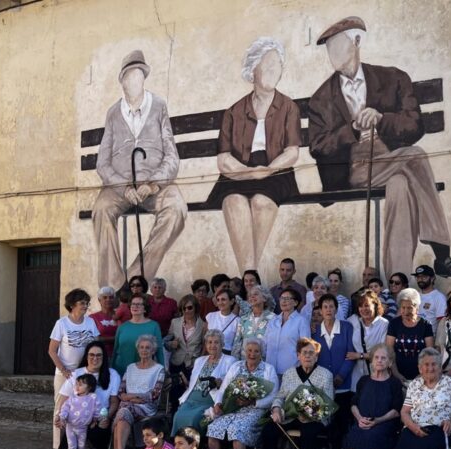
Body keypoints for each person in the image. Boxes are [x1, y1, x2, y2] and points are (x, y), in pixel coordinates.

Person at [308, 17, 451, 280]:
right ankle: (442, 253)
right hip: (352, 169)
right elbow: (318, 146)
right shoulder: (321, 97)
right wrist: (353, 129)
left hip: (391, 157)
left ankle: (397, 279)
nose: (331, 53)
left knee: (400, 184)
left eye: (337, 45)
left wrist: (381, 119)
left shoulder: (392, 78)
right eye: (328, 47)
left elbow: (415, 125)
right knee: (415, 156)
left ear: (357, 42)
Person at [205, 38, 301, 273]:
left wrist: (266, 170)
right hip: (239, 171)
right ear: (252, 71)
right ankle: (251, 277)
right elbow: (224, 159)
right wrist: (248, 172)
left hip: (277, 171)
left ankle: (248, 277)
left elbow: (292, 152)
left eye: (277, 65)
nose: (273, 70)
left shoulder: (289, 107)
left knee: (261, 203)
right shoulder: (234, 112)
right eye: (266, 65)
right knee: (233, 202)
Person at [92, 49, 186, 289]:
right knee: (101, 209)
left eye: (138, 76)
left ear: (144, 78)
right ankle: (112, 288)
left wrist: (154, 183)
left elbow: (172, 157)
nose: (133, 81)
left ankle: (136, 277)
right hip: (119, 186)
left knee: (176, 208)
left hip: (154, 184)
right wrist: (124, 188)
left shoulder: (158, 107)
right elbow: (102, 163)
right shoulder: (113, 113)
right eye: (128, 77)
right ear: (122, 81)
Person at [261, 338, 334, 449]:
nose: (308, 356)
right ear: (298, 355)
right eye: (304, 353)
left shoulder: (325, 375)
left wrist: (310, 415)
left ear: (316, 356)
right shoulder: (289, 373)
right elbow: (280, 396)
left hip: (314, 418)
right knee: (268, 431)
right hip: (290, 415)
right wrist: (276, 409)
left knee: (309, 433)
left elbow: (328, 406)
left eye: (311, 353)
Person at [207, 338, 279, 449]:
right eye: (249, 351)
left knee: (237, 431)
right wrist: (218, 404)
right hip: (233, 409)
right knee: (213, 429)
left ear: (262, 353)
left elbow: (273, 397)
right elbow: (223, 389)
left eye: (256, 351)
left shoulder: (268, 369)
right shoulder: (236, 366)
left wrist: (253, 402)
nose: (252, 354)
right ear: (245, 352)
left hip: (255, 410)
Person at [340, 344, 403, 449]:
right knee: (352, 439)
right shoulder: (363, 380)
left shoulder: (394, 383)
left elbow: (397, 410)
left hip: (385, 425)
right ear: (371, 361)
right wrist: (360, 418)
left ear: (390, 363)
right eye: (376, 357)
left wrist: (377, 420)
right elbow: (353, 404)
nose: (380, 361)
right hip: (363, 421)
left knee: (369, 439)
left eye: (384, 358)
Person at [54, 341, 121, 449]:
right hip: (76, 422)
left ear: (104, 357)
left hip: (99, 419)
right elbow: (63, 399)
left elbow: (114, 402)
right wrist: (59, 416)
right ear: (86, 356)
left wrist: (107, 417)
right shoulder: (76, 374)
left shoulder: (112, 375)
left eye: (98, 355)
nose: (95, 358)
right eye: (91, 355)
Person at [48, 288, 100, 449]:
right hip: (66, 374)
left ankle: (83, 446)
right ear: (72, 305)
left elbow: (95, 345)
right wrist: (63, 370)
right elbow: (52, 350)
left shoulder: (90, 322)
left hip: (85, 373)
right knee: (61, 409)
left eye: (87, 303)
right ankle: (58, 447)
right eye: (82, 303)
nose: (86, 306)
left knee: (85, 408)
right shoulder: (62, 324)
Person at [106, 334, 165, 449]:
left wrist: (131, 397)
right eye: (141, 347)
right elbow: (120, 392)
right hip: (129, 405)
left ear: (153, 351)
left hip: (147, 407)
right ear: (138, 350)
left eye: (148, 348)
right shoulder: (131, 367)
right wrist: (133, 398)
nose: (144, 350)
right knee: (123, 413)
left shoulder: (159, 369)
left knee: (123, 411)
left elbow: (154, 395)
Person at [171, 330, 236, 435]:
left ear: (222, 344)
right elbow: (192, 383)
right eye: (209, 342)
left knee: (194, 418)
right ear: (205, 345)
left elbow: (231, 384)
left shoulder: (230, 361)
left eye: (216, 342)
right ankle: (179, 446)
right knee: (177, 416)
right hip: (191, 398)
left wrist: (221, 383)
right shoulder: (200, 360)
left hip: (209, 400)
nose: (212, 345)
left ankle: (193, 446)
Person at [313, 293, 356, 446]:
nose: (328, 310)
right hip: (323, 385)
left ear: (336, 309)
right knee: (325, 419)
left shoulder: (346, 328)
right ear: (321, 310)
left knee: (342, 417)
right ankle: (327, 448)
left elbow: (351, 355)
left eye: (331, 306)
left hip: (343, 384)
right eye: (325, 307)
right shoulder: (315, 331)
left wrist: (341, 376)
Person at [385, 288, 434, 382]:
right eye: (403, 307)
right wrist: (396, 374)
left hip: (421, 376)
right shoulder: (394, 324)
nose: (406, 311)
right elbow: (389, 351)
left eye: (409, 308)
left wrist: (421, 375)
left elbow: (430, 352)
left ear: (417, 308)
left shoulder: (426, 325)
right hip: (397, 375)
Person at [56, 373, 102, 449]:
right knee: (71, 444)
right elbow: (65, 408)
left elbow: (97, 409)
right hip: (70, 426)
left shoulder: (93, 398)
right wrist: (62, 417)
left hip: (83, 427)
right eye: (76, 384)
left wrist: (95, 420)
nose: (77, 387)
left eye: (80, 384)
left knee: (82, 445)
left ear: (89, 387)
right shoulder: (72, 398)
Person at [166, 294, 207, 403]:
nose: (186, 311)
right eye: (183, 308)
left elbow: (204, 345)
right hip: (176, 363)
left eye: (189, 307)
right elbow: (167, 342)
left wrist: (200, 361)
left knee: (190, 394)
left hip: (193, 364)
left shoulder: (203, 325)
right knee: (175, 395)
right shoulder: (175, 322)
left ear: (195, 308)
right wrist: (172, 344)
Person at [112, 293, 164, 376]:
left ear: (145, 308)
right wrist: (111, 371)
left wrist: (162, 371)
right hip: (121, 371)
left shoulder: (154, 326)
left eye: (139, 304)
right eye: (133, 304)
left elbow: (159, 351)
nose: (135, 306)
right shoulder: (122, 327)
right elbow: (115, 351)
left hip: (144, 372)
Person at [346, 290, 389, 388]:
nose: (363, 309)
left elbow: (383, 353)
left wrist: (360, 355)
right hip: (356, 377)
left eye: (367, 305)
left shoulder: (384, 324)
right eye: (360, 306)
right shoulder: (352, 321)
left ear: (375, 305)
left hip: (377, 374)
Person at [265, 288, 310, 378]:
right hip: (270, 370)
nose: (283, 301)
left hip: (291, 371)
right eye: (281, 298)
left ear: (295, 303)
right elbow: (264, 343)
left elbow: (305, 347)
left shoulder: (301, 321)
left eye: (287, 298)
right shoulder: (273, 320)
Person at [231, 284, 276, 358]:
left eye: (256, 294)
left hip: (264, 363)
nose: (252, 297)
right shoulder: (243, 319)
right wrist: (235, 363)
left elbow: (274, 344)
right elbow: (237, 343)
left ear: (264, 298)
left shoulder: (273, 318)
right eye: (250, 295)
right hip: (244, 363)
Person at [411, 265, 446, 331]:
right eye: (418, 277)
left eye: (424, 277)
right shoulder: (415, 295)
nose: (420, 279)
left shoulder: (439, 297)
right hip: (413, 337)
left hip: (430, 338)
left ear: (432, 278)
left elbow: (441, 323)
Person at [206, 289, 239, 355]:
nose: (220, 302)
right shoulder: (210, 316)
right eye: (218, 300)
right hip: (211, 353)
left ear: (232, 301)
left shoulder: (237, 321)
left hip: (227, 355)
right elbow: (206, 338)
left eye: (223, 299)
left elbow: (237, 344)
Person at [89, 286, 119, 357]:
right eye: (105, 297)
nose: (108, 300)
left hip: (119, 354)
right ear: (99, 300)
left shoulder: (120, 315)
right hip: (100, 355)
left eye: (111, 297)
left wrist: (103, 339)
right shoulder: (92, 318)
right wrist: (117, 339)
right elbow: (92, 339)